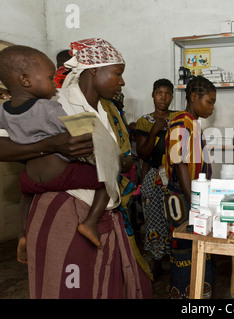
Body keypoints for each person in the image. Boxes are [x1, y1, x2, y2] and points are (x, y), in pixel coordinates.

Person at [0, 38, 153, 298]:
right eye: (117, 73)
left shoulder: (108, 110)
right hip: (68, 211)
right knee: (71, 288)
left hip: (105, 214)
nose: (122, 81)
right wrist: (53, 144)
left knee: (104, 285)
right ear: (94, 70)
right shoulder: (56, 101)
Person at [0, 45, 112, 261]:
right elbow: (71, 134)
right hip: (60, 174)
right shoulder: (48, 107)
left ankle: (23, 234)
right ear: (26, 80)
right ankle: (90, 223)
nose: (55, 83)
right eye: (51, 77)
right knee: (106, 180)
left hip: (31, 177)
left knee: (25, 198)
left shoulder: (3, 111)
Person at [164, 75, 216, 299]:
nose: (212, 107)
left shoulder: (193, 123)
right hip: (182, 195)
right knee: (184, 246)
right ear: (194, 97)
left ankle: (198, 292)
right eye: (210, 101)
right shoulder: (181, 122)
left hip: (193, 194)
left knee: (200, 244)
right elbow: (180, 163)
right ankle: (184, 293)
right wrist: (194, 200)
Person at [136, 78, 176, 277]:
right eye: (159, 93)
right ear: (153, 95)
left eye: (168, 93)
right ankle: (157, 259)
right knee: (154, 219)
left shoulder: (178, 117)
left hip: (175, 175)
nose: (163, 97)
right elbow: (143, 154)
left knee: (175, 217)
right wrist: (154, 131)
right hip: (153, 177)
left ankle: (176, 258)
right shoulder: (145, 121)